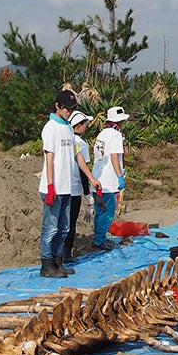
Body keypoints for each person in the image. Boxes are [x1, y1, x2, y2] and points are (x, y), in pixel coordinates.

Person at [37, 89, 79, 279]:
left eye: (72, 109)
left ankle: (57, 260)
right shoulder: (50, 128)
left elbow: (73, 155)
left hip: (67, 186)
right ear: (57, 106)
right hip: (54, 186)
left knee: (64, 227)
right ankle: (46, 264)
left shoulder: (69, 127)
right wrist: (50, 186)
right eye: (66, 108)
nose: (69, 112)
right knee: (51, 227)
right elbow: (50, 158)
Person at [64, 111, 102, 264]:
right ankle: (66, 254)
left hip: (62, 187)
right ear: (78, 126)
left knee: (61, 223)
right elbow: (83, 170)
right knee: (71, 223)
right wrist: (88, 195)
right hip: (73, 188)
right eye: (85, 124)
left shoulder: (66, 139)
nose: (86, 127)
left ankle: (57, 254)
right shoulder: (81, 144)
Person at [91, 105, 129, 250]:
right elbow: (114, 157)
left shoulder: (102, 134)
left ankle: (98, 237)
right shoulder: (116, 135)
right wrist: (120, 176)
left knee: (99, 211)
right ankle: (99, 240)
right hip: (108, 180)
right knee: (107, 212)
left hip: (97, 178)